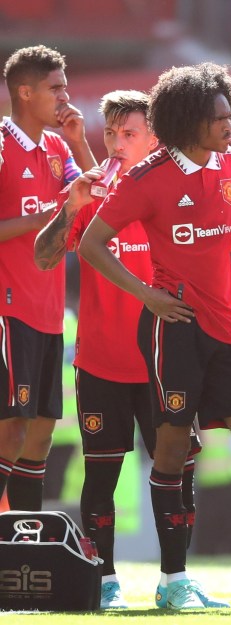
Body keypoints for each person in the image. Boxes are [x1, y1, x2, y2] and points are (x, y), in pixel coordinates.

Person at [76, 63, 231, 611]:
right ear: (190, 120)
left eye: (229, 112)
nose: (229, 123)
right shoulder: (148, 178)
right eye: (219, 116)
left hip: (228, 330)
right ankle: (173, 582)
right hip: (176, 330)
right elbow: (92, 245)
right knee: (171, 449)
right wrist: (146, 294)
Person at [32, 89, 226, 610]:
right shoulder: (91, 193)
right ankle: (105, 581)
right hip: (100, 363)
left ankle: (175, 581)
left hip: (164, 361)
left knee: (176, 473)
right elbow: (45, 257)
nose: (117, 143)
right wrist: (68, 205)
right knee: (101, 477)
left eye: (130, 133)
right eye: (111, 133)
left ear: (155, 137)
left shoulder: (172, 191)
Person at [0, 44, 95, 510]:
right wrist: (49, 214)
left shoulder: (59, 147)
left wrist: (78, 139)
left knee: (39, 435)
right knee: (11, 428)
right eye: (55, 88)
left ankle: (21, 546)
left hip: (48, 311)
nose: (65, 97)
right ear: (24, 91)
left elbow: (95, 203)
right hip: (9, 306)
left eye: (65, 87)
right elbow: (58, 211)